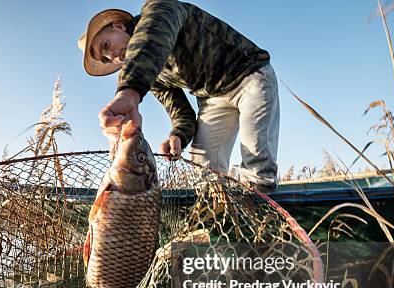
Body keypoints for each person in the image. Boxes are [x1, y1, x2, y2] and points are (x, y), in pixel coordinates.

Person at [78, 1, 280, 192]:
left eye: (106, 46)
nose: (111, 56)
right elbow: (180, 112)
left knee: (257, 164)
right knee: (205, 174)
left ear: (119, 26)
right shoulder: (150, 75)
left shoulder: (161, 9)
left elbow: (152, 37)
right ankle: (216, 221)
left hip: (250, 75)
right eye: (105, 58)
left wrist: (130, 91)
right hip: (212, 99)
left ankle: (262, 209)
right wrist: (178, 135)